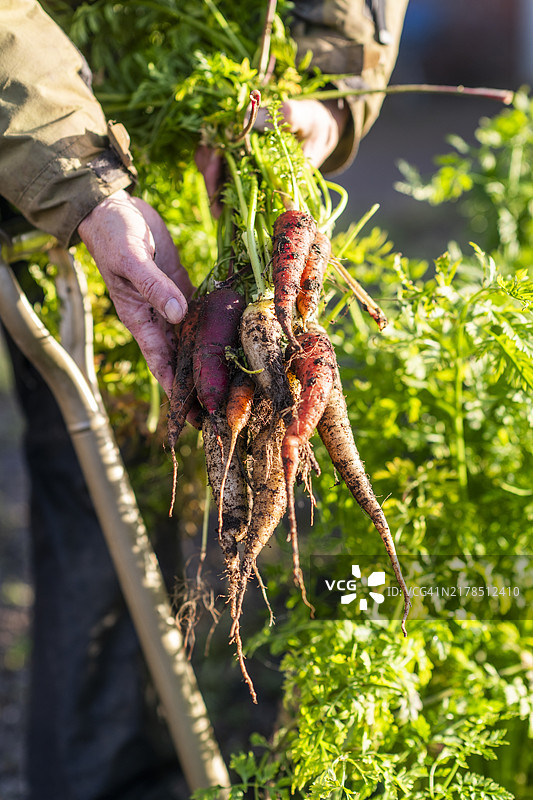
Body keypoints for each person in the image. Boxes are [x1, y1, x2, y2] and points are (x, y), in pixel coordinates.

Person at [0, 1, 408, 798]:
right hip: (58, 135)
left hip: (213, 140)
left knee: (171, 470)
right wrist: (87, 189)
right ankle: (101, 774)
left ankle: (163, 737)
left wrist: (329, 92)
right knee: (97, 480)